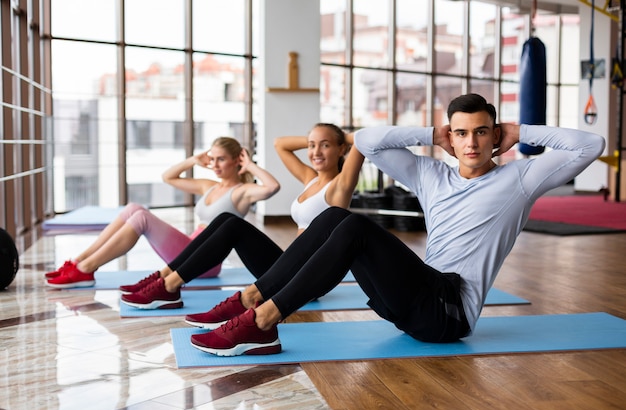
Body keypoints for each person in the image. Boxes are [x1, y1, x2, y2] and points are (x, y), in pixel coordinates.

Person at [185, 93, 606, 356]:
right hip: (406, 299)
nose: (472, 143)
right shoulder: (431, 175)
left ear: (495, 135)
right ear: (451, 138)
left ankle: (262, 321)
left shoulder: (519, 179)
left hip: (448, 312)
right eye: (461, 133)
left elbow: (591, 144)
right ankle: (253, 298)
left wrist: (520, 130)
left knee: (352, 227)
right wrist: (428, 133)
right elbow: (367, 139)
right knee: (334, 216)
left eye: (482, 132)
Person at [119, 123, 365, 311]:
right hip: (290, 266)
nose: (315, 151)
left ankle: (169, 287)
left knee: (232, 227)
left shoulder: (339, 185)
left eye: (325, 145)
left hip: (309, 277)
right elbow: (280, 143)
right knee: (228, 220)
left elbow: (363, 140)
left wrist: (339, 137)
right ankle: (165, 280)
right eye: (312, 145)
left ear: (342, 148)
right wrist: (322, 136)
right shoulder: (310, 179)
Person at [45, 137, 280, 289]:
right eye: (212, 159)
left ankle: (87, 269)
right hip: (189, 248)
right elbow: (168, 177)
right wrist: (193, 160)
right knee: (133, 209)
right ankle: (79, 262)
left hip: (205, 263)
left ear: (236, 161)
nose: (215, 165)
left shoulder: (242, 192)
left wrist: (249, 165)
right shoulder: (209, 186)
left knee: (141, 218)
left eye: (221, 159)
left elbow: (272, 187)